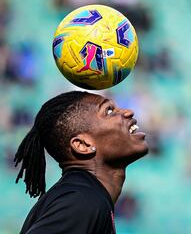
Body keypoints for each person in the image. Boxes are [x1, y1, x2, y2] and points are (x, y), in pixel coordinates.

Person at [14, 91, 149, 234]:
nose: (128, 112)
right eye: (108, 111)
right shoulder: (82, 201)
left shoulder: (85, 197)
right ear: (82, 145)